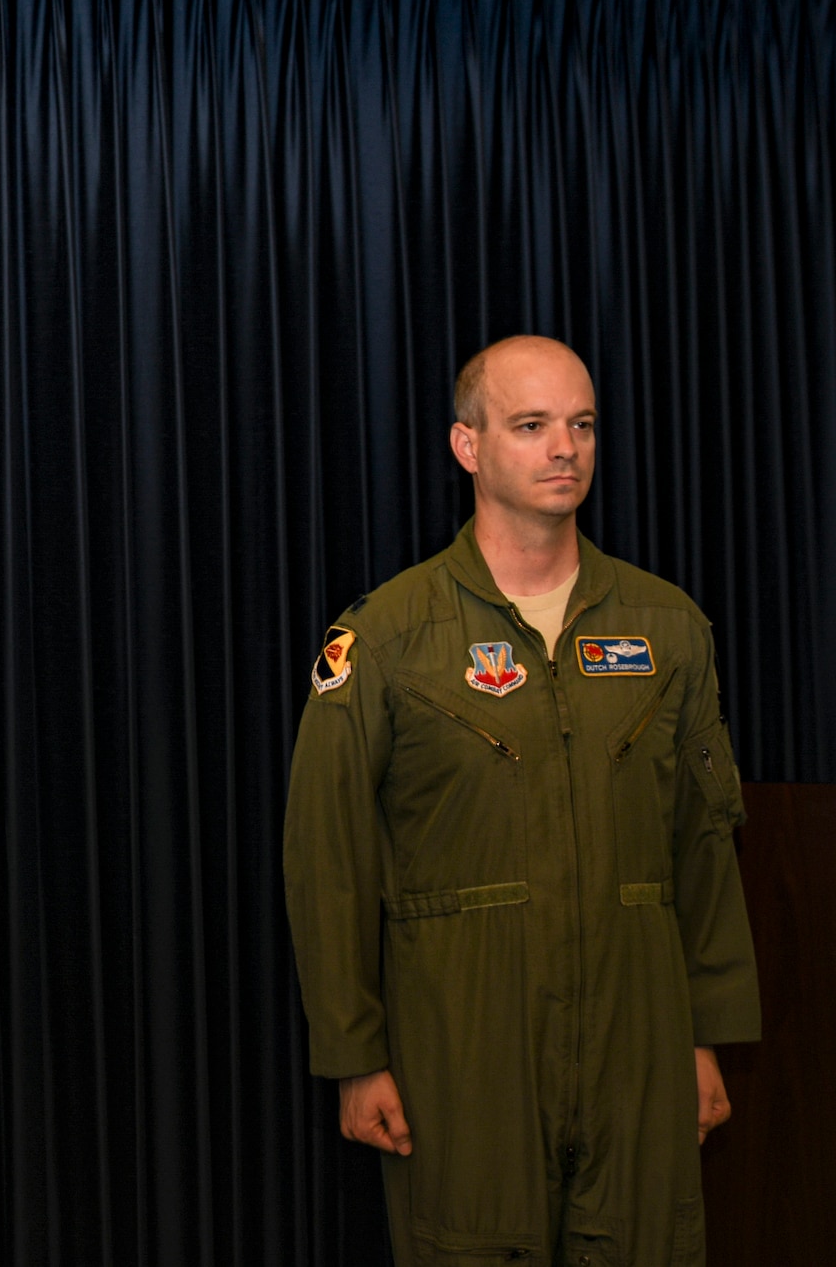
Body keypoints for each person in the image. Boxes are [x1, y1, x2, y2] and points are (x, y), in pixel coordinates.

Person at [284, 335, 760, 1265]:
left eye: (581, 425)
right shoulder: (387, 638)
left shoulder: (666, 628)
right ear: (469, 446)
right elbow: (326, 857)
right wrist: (355, 1055)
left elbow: (704, 843)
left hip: (638, 1046)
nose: (564, 449)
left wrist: (709, 1038)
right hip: (463, 1055)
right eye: (532, 425)